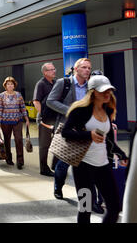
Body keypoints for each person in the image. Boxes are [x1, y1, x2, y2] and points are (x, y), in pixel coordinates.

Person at [62, 75, 128, 223]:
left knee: (115, 208)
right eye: (103, 91)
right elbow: (66, 133)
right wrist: (88, 135)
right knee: (85, 208)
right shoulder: (80, 110)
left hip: (103, 166)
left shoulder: (108, 110)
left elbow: (109, 139)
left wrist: (121, 155)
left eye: (109, 90)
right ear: (92, 92)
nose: (107, 94)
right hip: (82, 167)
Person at [46, 58, 92, 200]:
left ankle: (88, 199)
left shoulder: (90, 86)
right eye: (84, 67)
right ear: (76, 69)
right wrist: (71, 111)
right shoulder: (64, 83)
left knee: (86, 166)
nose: (87, 70)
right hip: (67, 128)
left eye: (89, 68)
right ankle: (58, 186)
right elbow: (50, 101)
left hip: (86, 130)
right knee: (63, 164)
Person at [0, 77, 30, 169]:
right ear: (5, 86)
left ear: (14, 85)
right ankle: (8, 158)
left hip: (17, 120)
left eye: (11, 84)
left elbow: (23, 108)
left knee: (18, 139)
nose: (10, 85)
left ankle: (20, 161)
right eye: (8, 84)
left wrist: (26, 119)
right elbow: (0, 109)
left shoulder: (18, 95)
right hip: (5, 121)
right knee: (7, 140)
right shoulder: (1, 96)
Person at [32, 63, 57, 176]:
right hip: (45, 119)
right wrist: (42, 115)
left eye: (54, 69)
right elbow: (36, 101)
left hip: (55, 118)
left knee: (59, 142)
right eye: (51, 70)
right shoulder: (41, 84)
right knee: (44, 144)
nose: (54, 71)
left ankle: (55, 165)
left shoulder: (56, 83)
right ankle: (44, 168)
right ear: (45, 72)